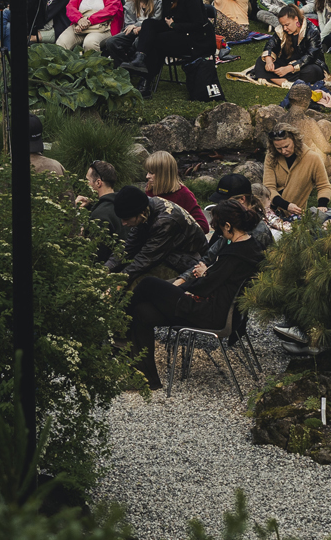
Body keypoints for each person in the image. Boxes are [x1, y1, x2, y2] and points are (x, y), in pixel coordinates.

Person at [124, 200, 266, 388]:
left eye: (218, 228)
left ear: (228, 225)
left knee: (148, 284)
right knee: (142, 312)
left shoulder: (235, 254)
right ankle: (146, 380)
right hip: (219, 308)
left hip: (210, 313)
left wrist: (190, 280)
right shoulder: (252, 246)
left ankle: (118, 321)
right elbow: (218, 279)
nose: (218, 232)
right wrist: (204, 275)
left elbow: (204, 286)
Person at [122, 0, 211, 97]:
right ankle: (139, 57)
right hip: (175, 32)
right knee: (148, 23)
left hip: (194, 38)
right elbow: (165, 20)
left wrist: (175, 25)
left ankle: (145, 80)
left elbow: (198, 24)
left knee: (157, 41)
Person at [106, 184, 207, 282]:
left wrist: (120, 279)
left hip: (189, 261)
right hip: (167, 253)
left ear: (141, 213)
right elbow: (130, 244)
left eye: (126, 219)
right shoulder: (145, 207)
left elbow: (146, 258)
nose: (123, 223)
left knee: (140, 283)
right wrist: (107, 268)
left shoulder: (165, 221)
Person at [262, 126, 330, 219]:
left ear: (295, 140)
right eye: (278, 148)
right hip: (270, 210)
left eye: (286, 146)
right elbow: (268, 187)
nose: (283, 151)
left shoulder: (313, 158)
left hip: (296, 214)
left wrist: (322, 205)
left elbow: (324, 186)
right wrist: (286, 205)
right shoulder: (271, 156)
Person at [253, 5, 324, 88]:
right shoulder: (281, 30)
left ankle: (271, 78)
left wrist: (290, 68)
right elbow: (271, 44)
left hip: (306, 64)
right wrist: (269, 61)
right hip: (286, 62)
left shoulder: (312, 31)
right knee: (261, 61)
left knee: (312, 71)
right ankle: (283, 82)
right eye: (283, 25)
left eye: (287, 25)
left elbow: (311, 56)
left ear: (296, 19)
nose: (285, 28)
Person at [145, 150, 210, 233]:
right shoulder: (150, 189)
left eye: (151, 173)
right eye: (148, 172)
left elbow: (203, 227)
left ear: (163, 174)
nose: (147, 176)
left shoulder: (184, 194)